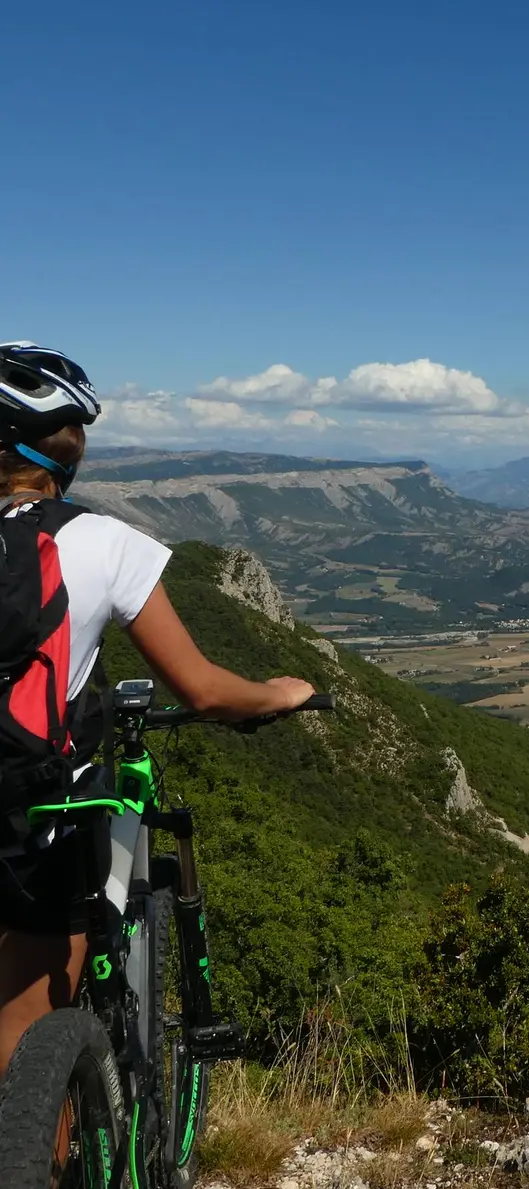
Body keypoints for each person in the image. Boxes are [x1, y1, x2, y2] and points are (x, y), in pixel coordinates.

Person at [0, 340, 314, 1076]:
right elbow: (202, 690)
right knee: (26, 1047)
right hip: (28, 812)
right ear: (65, 461)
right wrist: (276, 693)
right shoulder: (103, 543)